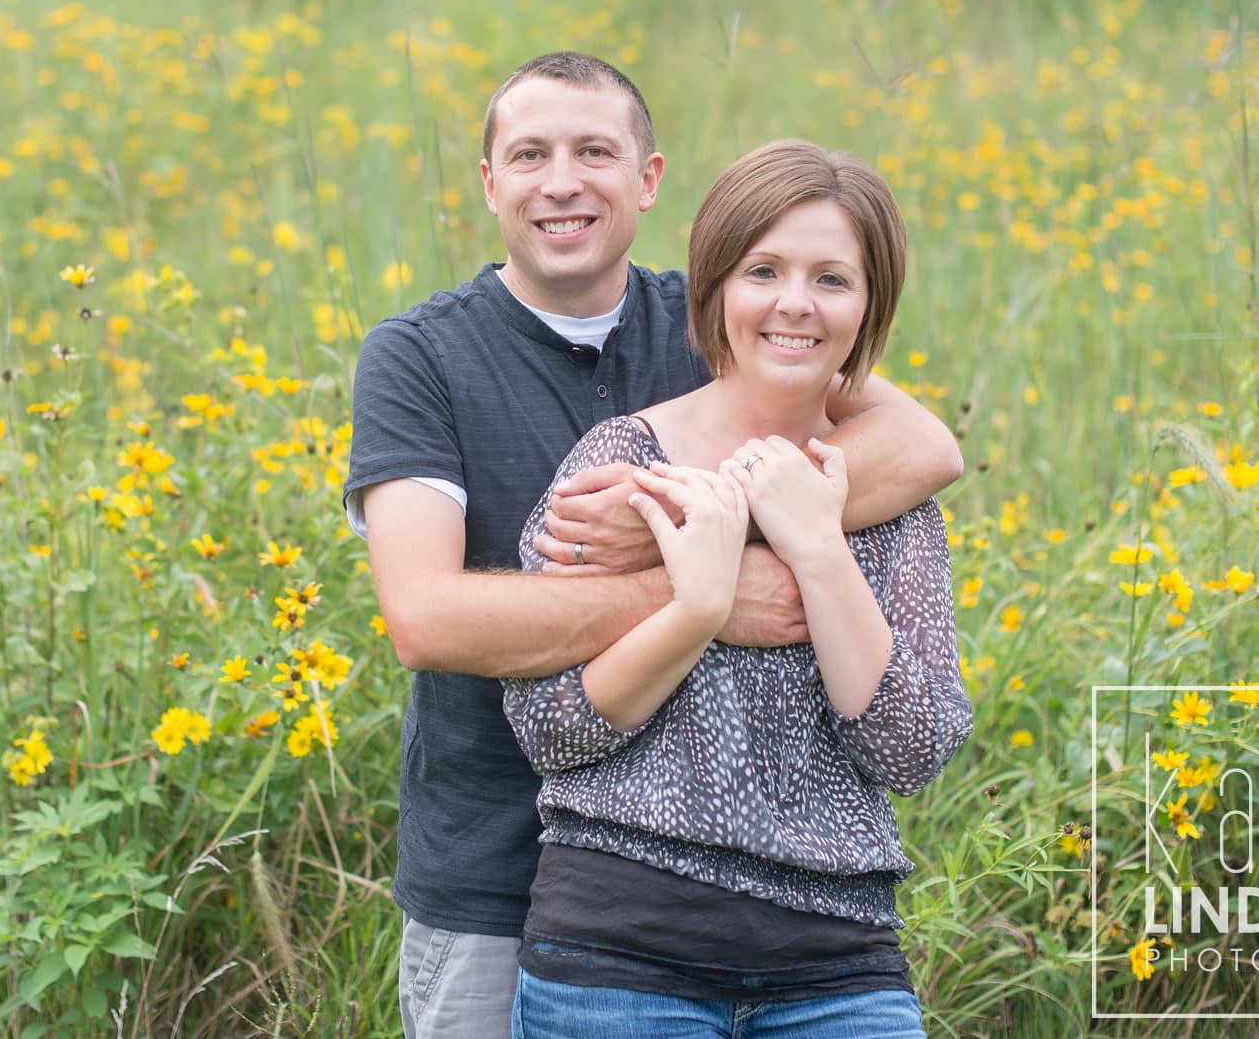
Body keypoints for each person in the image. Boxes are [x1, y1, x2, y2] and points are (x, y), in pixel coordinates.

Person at [346, 53, 963, 1039]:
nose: (560, 181)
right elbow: (423, 617)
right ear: (489, 180)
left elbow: (923, 446)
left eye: (594, 151)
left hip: (789, 919)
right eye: (528, 153)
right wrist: (701, 585)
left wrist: (725, 514)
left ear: (647, 178)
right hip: (501, 866)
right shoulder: (421, 355)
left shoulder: (722, 317)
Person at [500, 139, 971, 1037]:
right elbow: (548, 728)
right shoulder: (621, 473)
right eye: (764, 270)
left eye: (833, 278)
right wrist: (699, 610)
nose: (795, 302)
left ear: (869, 307)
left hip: (840, 967)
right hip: (620, 959)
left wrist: (817, 545)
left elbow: (911, 754)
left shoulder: (893, 498)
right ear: (715, 286)